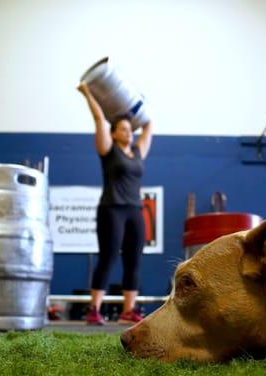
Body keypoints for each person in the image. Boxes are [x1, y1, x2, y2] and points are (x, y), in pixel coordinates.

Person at [77, 81, 153, 325]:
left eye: (130, 129)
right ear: (114, 133)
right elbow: (100, 120)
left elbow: (149, 123)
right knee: (108, 257)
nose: (129, 132)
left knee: (134, 260)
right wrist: (89, 93)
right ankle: (93, 310)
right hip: (112, 210)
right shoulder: (108, 150)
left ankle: (129, 311)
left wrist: (136, 104)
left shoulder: (138, 151)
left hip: (134, 210)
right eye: (122, 129)